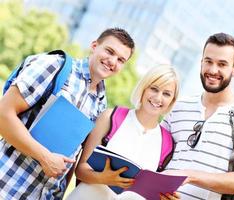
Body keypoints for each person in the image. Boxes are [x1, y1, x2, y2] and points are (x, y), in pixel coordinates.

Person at [0, 27, 135, 200]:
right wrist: (46, 158)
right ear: (94, 45)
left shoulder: (101, 104)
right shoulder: (55, 66)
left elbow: (73, 156)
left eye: (121, 60)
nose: (112, 61)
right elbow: (3, 114)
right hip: (7, 186)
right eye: (109, 51)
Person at [160, 33, 234, 200]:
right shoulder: (179, 107)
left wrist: (190, 176)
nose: (212, 70)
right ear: (201, 62)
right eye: (208, 61)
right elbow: (158, 157)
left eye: (222, 64)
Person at [66, 65, 180, 200]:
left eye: (166, 94)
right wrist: (102, 178)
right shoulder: (110, 117)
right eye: (154, 89)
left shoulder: (167, 144)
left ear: (172, 100)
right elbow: (80, 170)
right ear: (143, 89)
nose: (158, 98)